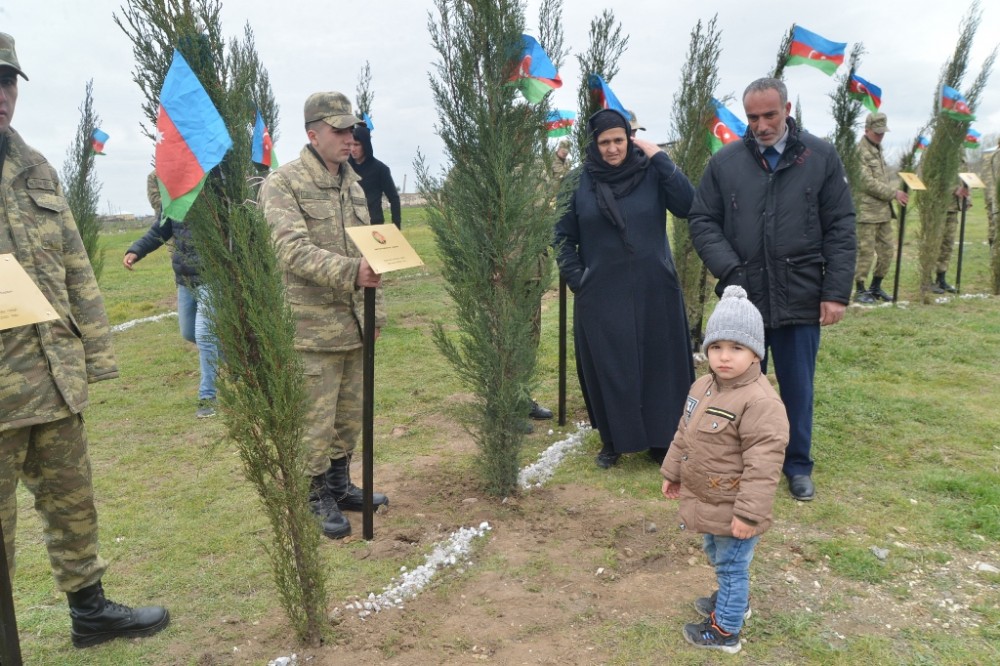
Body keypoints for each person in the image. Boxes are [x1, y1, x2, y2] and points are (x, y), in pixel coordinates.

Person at [0, 31, 169, 648]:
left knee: (73, 507)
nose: (1, 94)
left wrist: (94, 354)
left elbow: (74, 266)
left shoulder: (34, 167)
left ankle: (90, 613)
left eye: (7, 80)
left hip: (52, 378)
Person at [688, 77, 856, 501]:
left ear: (787, 109)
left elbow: (840, 226)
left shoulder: (820, 157)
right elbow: (702, 220)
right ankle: (743, 459)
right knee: (743, 388)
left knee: (798, 386)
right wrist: (730, 270)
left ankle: (797, 463)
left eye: (769, 115)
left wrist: (834, 292)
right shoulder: (725, 163)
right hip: (745, 300)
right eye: (752, 117)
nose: (761, 125)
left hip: (801, 293)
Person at [260, 91, 389, 540]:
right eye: (338, 130)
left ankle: (339, 483)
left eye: (351, 129)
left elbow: (371, 248)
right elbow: (290, 250)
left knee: (348, 416)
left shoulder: (352, 182)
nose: (348, 137)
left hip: (354, 321)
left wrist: (375, 313)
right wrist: (353, 273)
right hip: (310, 329)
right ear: (312, 134)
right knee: (314, 420)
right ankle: (314, 493)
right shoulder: (284, 182)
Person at [554, 108, 695, 469]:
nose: (613, 149)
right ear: (594, 144)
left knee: (659, 365)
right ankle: (614, 439)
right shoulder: (577, 182)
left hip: (654, 288)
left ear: (630, 139)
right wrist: (578, 278)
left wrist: (661, 158)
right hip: (601, 291)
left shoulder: (651, 173)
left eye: (619, 140)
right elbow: (562, 237)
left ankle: (663, 440)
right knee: (610, 366)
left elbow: (688, 204)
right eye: (605, 142)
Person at [660, 285, 789, 654]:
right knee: (718, 555)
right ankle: (734, 598)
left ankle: (725, 629)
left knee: (732, 565)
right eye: (716, 347)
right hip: (708, 500)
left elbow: (764, 465)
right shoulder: (702, 386)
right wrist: (673, 474)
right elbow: (684, 432)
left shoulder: (761, 402)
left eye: (736, 348)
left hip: (735, 506)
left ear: (755, 353)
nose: (724, 357)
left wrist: (749, 514)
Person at [122, 171, 220, 418]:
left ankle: (208, 396)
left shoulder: (214, 190)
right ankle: (240, 363)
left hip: (213, 276)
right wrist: (136, 250)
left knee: (205, 334)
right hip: (185, 278)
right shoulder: (175, 196)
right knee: (189, 333)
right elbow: (160, 229)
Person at [854, 112, 908, 303]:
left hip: (883, 212)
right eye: (877, 132)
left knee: (887, 251)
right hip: (867, 213)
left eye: (882, 132)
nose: (880, 135)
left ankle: (876, 286)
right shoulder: (860, 151)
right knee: (865, 252)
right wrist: (894, 193)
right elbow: (866, 182)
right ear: (866, 129)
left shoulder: (878, 150)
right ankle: (860, 289)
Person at [349, 124, 402, 229]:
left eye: (357, 144)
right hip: (350, 226)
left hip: (373, 225)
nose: (353, 149)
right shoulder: (344, 167)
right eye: (350, 144)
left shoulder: (380, 169)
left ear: (365, 145)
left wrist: (396, 227)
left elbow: (394, 198)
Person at [932, 178, 970, 294]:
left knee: (947, 245)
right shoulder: (932, 158)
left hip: (952, 208)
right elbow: (930, 178)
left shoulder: (961, 159)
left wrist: (968, 199)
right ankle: (926, 280)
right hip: (937, 206)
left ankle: (941, 279)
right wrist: (953, 189)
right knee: (932, 245)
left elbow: (966, 181)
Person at [982, 138, 999, 247]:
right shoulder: (995, 155)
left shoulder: (989, 154)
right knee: (995, 230)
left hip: (991, 195)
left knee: (993, 228)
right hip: (995, 196)